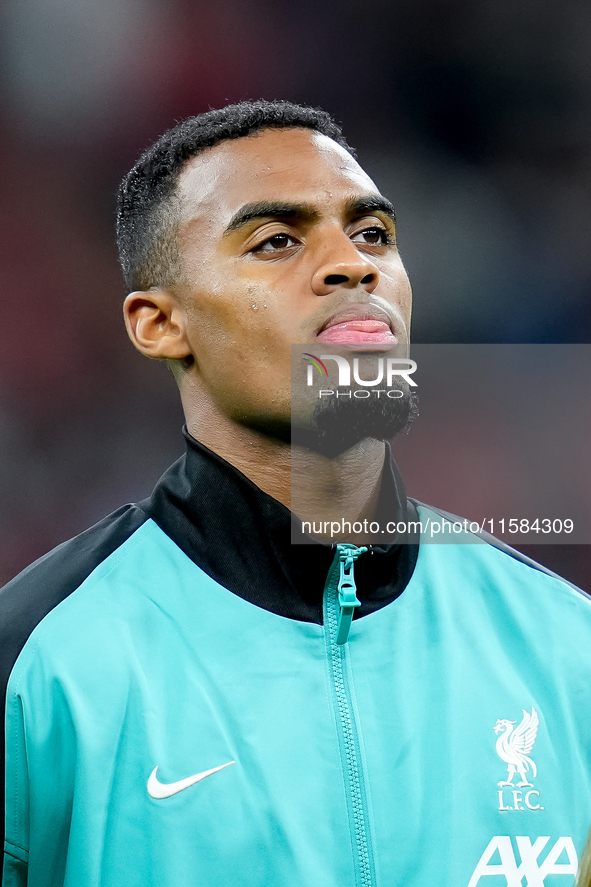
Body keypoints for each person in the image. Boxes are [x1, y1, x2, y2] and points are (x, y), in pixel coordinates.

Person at [2, 100, 591, 887]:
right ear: (158, 323)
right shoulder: (39, 663)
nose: (353, 264)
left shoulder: (564, 648)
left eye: (372, 233)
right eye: (276, 240)